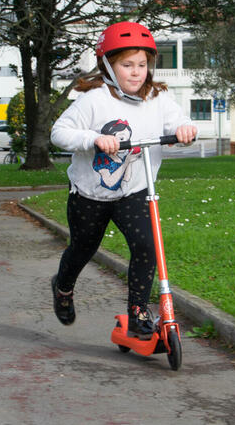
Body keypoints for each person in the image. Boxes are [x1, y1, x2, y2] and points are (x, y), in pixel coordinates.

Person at [49, 21, 197, 337]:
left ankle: (138, 314)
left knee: (147, 246)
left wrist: (185, 130)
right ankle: (63, 287)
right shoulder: (95, 100)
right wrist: (93, 139)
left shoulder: (156, 98)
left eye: (142, 64)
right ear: (108, 66)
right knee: (83, 249)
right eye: (127, 64)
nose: (136, 72)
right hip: (91, 194)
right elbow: (59, 133)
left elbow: (179, 121)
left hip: (136, 191)